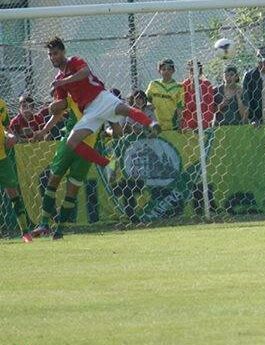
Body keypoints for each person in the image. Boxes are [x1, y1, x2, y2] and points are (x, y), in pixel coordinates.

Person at [45, 36, 159, 180]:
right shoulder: (59, 79)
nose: (52, 57)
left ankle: (151, 124)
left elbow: (85, 72)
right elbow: (60, 103)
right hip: (89, 110)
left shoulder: (74, 61)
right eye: (50, 54)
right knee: (72, 142)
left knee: (125, 110)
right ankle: (109, 164)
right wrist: (54, 104)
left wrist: (63, 82)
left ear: (63, 52)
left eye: (55, 53)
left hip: (100, 97)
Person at [29, 96, 99, 240]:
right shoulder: (72, 95)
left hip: (87, 149)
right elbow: (56, 112)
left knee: (72, 189)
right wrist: (43, 131)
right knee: (52, 179)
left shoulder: (100, 98)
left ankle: (60, 230)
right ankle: (44, 224)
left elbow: (113, 123)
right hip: (67, 143)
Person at [0, 97, 34, 242]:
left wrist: (11, 136)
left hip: (1, 156)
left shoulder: (1, 103)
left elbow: (5, 128)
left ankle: (25, 232)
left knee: (13, 190)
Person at [145, 58, 184, 131]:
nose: (166, 71)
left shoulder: (179, 87)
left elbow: (180, 107)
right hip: (154, 123)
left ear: (173, 71)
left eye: (169, 69)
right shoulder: (154, 84)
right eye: (163, 69)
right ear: (159, 71)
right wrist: (149, 104)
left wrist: (180, 122)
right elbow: (145, 100)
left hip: (171, 125)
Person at [181, 59, 215, 130]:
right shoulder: (184, 85)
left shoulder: (207, 85)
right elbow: (182, 106)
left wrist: (204, 122)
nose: (194, 72)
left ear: (200, 71)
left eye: (196, 70)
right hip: (188, 125)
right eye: (191, 70)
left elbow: (210, 106)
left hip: (204, 124)